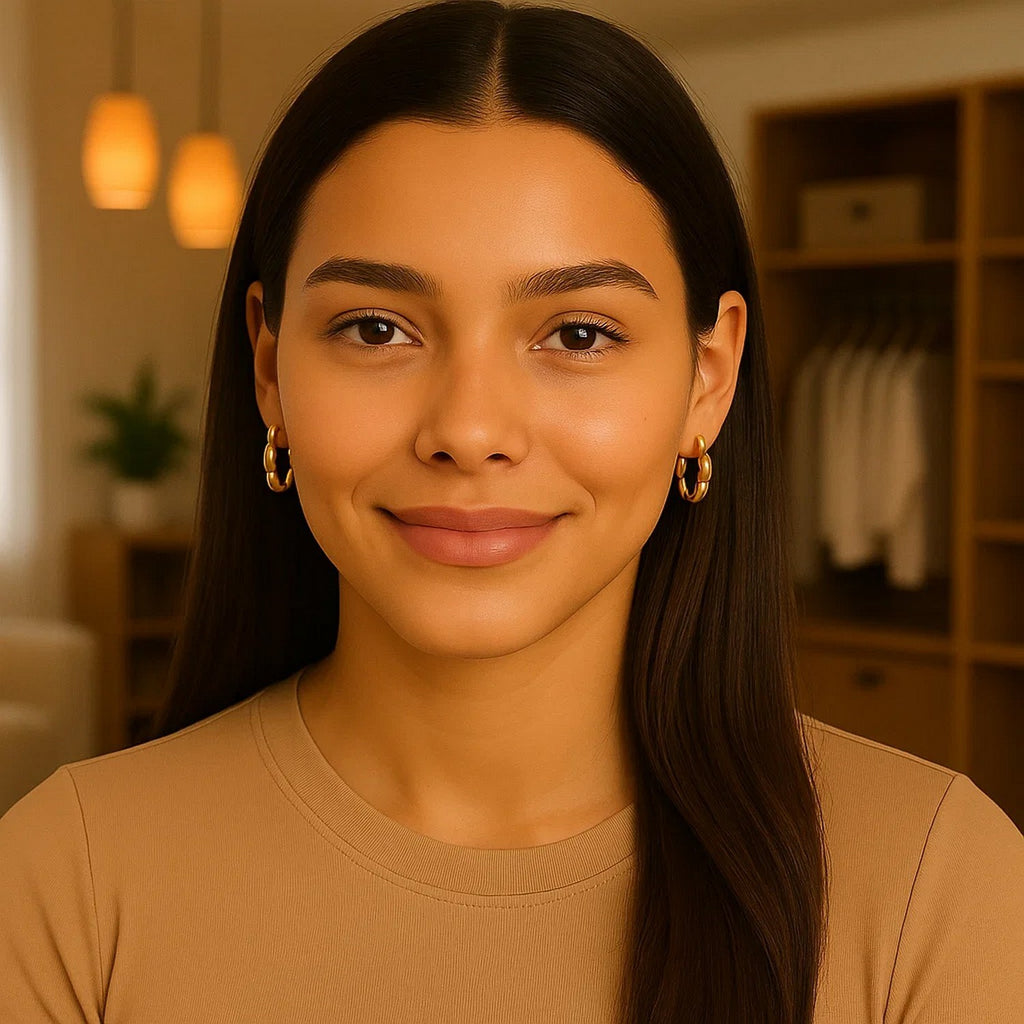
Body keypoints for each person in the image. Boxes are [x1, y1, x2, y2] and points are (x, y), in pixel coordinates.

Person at [2, 2, 1023, 1021]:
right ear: (269, 367)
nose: (470, 428)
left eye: (577, 334)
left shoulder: (938, 887)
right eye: (375, 328)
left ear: (706, 380)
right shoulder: (68, 881)